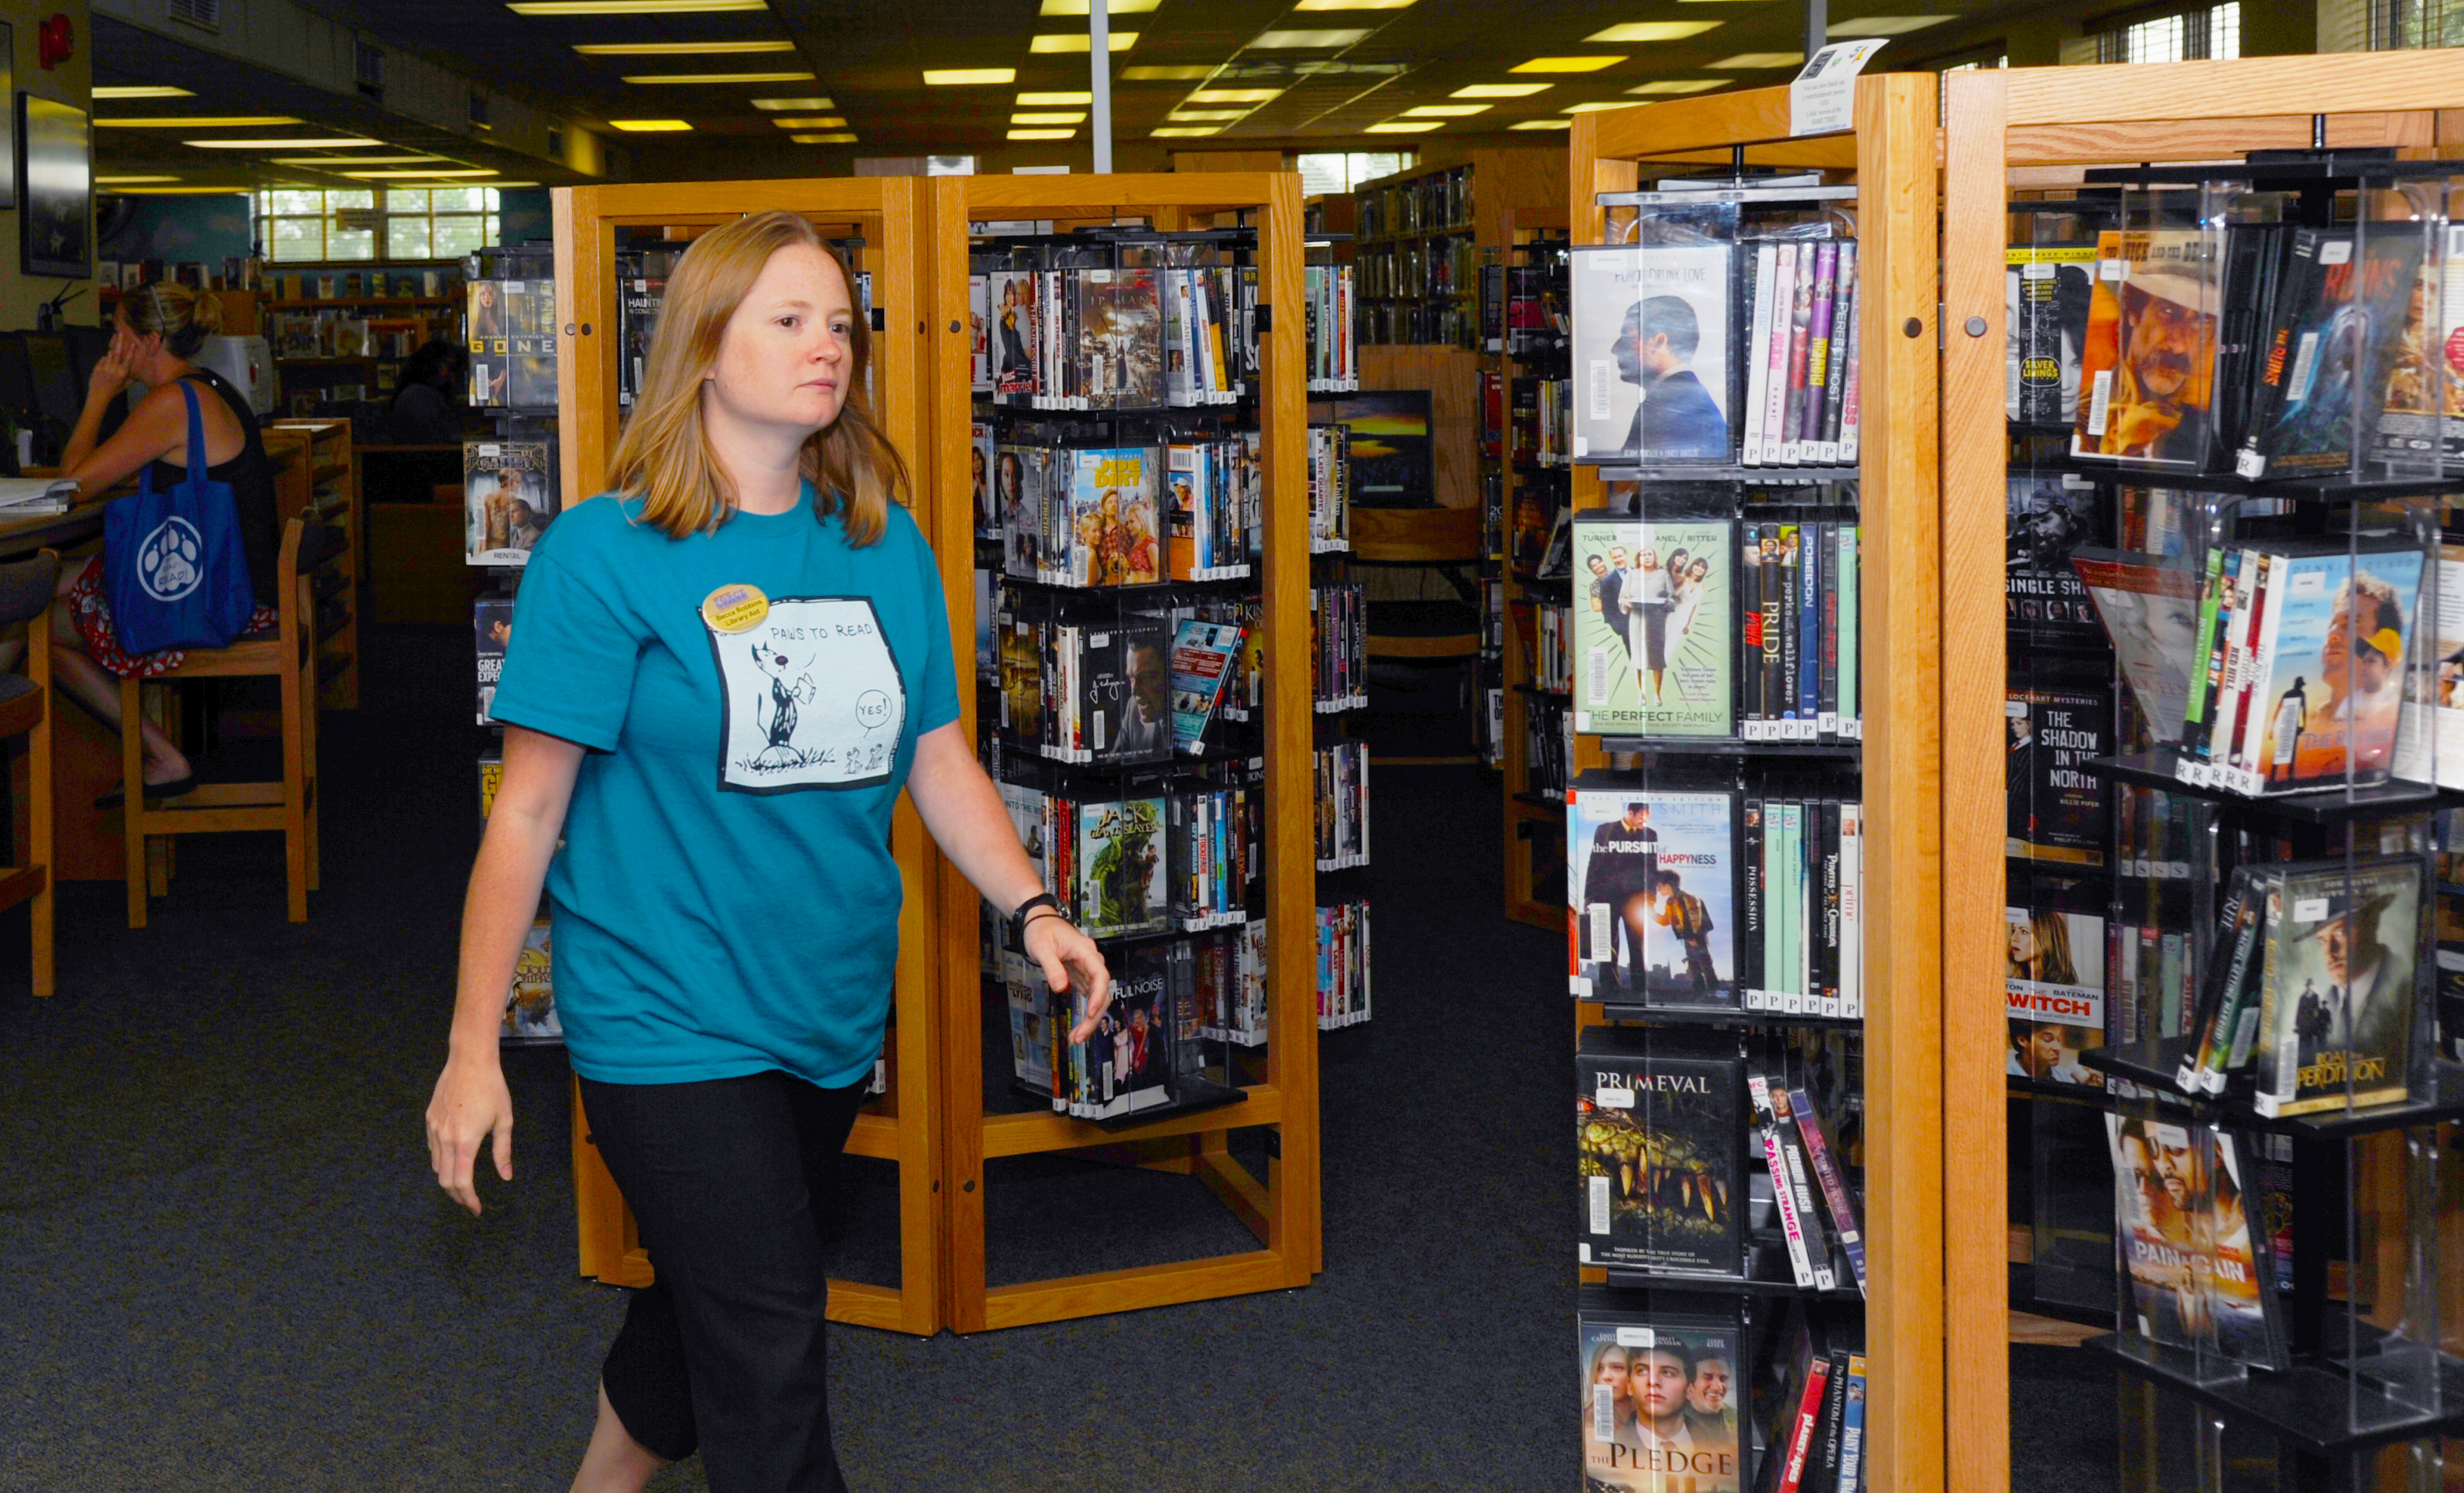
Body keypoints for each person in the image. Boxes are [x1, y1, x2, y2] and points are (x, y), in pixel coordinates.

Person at [422, 211, 1112, 1493]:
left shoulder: (879, 541)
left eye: (839, 324)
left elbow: (936, 756)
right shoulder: (603, 552)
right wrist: (472, 1049)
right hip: (661, 1006)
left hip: (827, 1006)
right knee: (772, 1343)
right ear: (700, 347)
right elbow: (523, 814)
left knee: (713, 1297)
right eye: (788, 321)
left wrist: (1032, 907)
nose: (827, 348)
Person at [4, 283, 282, 803]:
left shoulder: (172, 402)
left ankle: (163, 756)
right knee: (44, 577)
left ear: (148, 342)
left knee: (32, 612)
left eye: (117, 332)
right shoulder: (208, 387)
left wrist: (99, 395)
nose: (111, 344)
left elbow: (70, 482)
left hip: (217, 602)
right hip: (239, 582)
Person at [1612, 294, 1729, 461]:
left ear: (1659, 342)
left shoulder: (1671, 408)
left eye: (1626, 338)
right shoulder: (1685, 400)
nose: (1615, 348)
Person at [1585, 802, 1659, 990]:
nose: (1644, 822)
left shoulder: (1650, 835)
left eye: (1646, 819)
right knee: (1607, 941)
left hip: (1635, 899)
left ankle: (1639, 986)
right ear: (1630, 812)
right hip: (1606, 894)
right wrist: (1588, 894)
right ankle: (1609, 985)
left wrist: (1651, 899)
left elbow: (1652, 868)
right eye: (1641, 818)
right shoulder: (1604, 830)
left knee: (1637, 944)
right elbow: (1594, 861)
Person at [388, 337, 468, 444]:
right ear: (430, 364)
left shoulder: (422, 394)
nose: (451, 376)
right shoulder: (417, 396)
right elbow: (436, 439)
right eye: (449, 367)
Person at [1652, 868, 1720, 995]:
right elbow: (1667, 920)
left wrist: (1693, 937)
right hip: (1689, 937)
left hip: (1695, 936)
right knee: (1695, 964)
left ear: (1667, 885)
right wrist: (1652, 914)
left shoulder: (1686, 898)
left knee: (1704, 963)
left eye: (1659, 886)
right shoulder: (1671, 901)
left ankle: (1713, 990)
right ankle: (1701, 990)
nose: (1658, 889)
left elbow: (1694, 918)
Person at [1622, 546, 1672, 703]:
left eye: (1649, 554)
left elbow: (1671, 598)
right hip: (1637, 619)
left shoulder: (1663, 575)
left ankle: (1657, 694)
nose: (1647, 557)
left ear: (1655, 557)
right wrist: (1627, 603)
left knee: (1657, 657)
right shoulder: (1632, 575)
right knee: (1638, 656)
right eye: (1643, 555)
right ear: (1638, 558)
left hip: (1657, 620)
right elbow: (1622, 598)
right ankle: (1641, 694)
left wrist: (1665, 605)